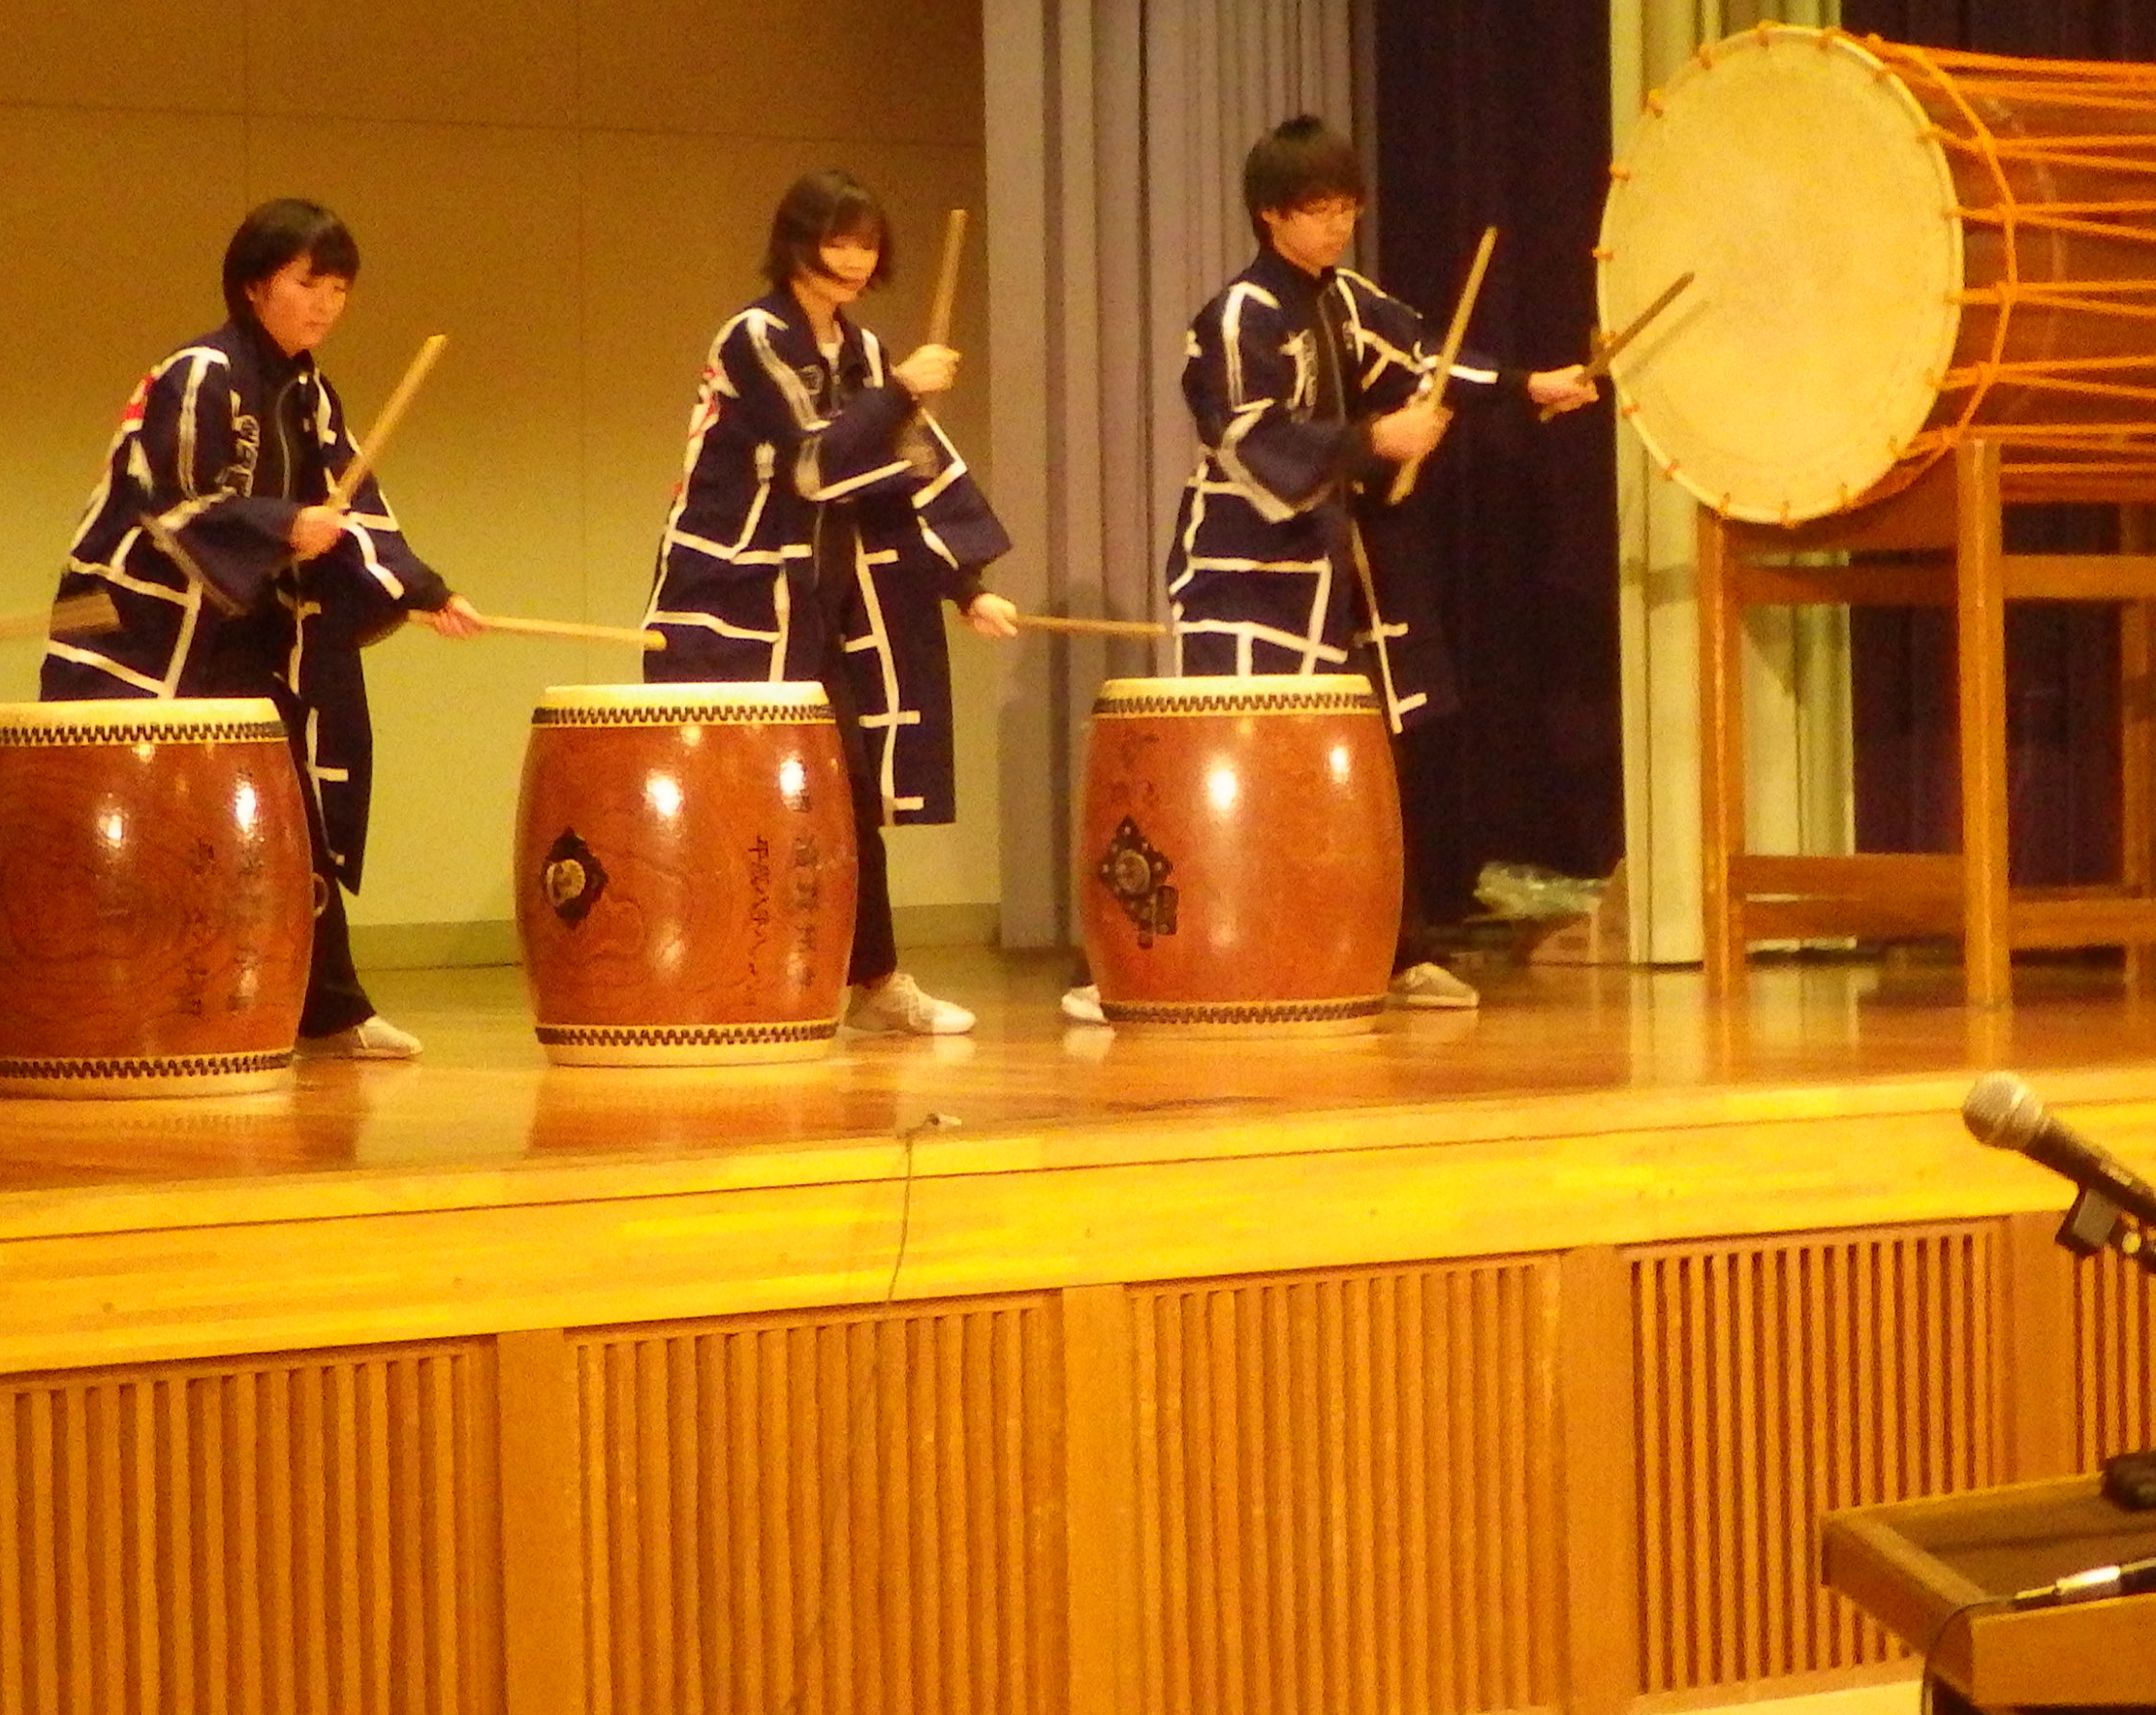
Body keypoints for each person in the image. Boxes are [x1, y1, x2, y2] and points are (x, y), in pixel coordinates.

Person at [1072, 114, 1596, 1024]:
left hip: (1335, 559)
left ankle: (1393, 951)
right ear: (1272, 215)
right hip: (1245, 568)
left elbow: (1426, 356)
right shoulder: (1239, 315)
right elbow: (1247, 438)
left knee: (1372, 759)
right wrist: (1370, 440)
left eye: (1347, 206)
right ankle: (1186, 952)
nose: (1337, 224)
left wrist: (1526, 385)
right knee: (1245, 768)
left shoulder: (1346, 299)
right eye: (1319, 209)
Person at [0, 199, 482, 1073]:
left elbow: (356, 505)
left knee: (285, 810)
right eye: (309, 283)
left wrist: (421, 588)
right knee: (64, 823)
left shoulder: (309, 393)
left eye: (339, 287)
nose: (325, 305)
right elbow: (176, 504)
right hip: (130, 621)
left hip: (228, 632)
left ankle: (330, 1008)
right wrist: (281, 526)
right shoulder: (201, 373)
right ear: (255, 284)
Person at [641, 171, 1018, 1036]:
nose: (853, 258)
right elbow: (815, 459)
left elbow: (912, 467)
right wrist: (899, 391)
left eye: (866, 242)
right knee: (745, 798)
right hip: (732, 596)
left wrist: (967, 585)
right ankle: (736, 971)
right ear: (798, 243)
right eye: (837, 240)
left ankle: (875, 977)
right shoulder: (754, 335)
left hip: (822, 603)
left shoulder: (867, 352)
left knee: (850, 788)